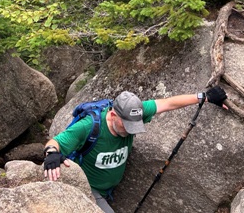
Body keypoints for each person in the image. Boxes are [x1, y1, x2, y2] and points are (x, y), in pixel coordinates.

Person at [42, 87, 228, 212]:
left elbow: (168, 103)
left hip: (109, 190)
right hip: (90, 190)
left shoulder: (135, 113)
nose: (130, 130)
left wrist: (203, 97)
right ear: (113, 114)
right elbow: (55, 142)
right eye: (126, 126)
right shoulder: (89, 126)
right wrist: (51, 154)